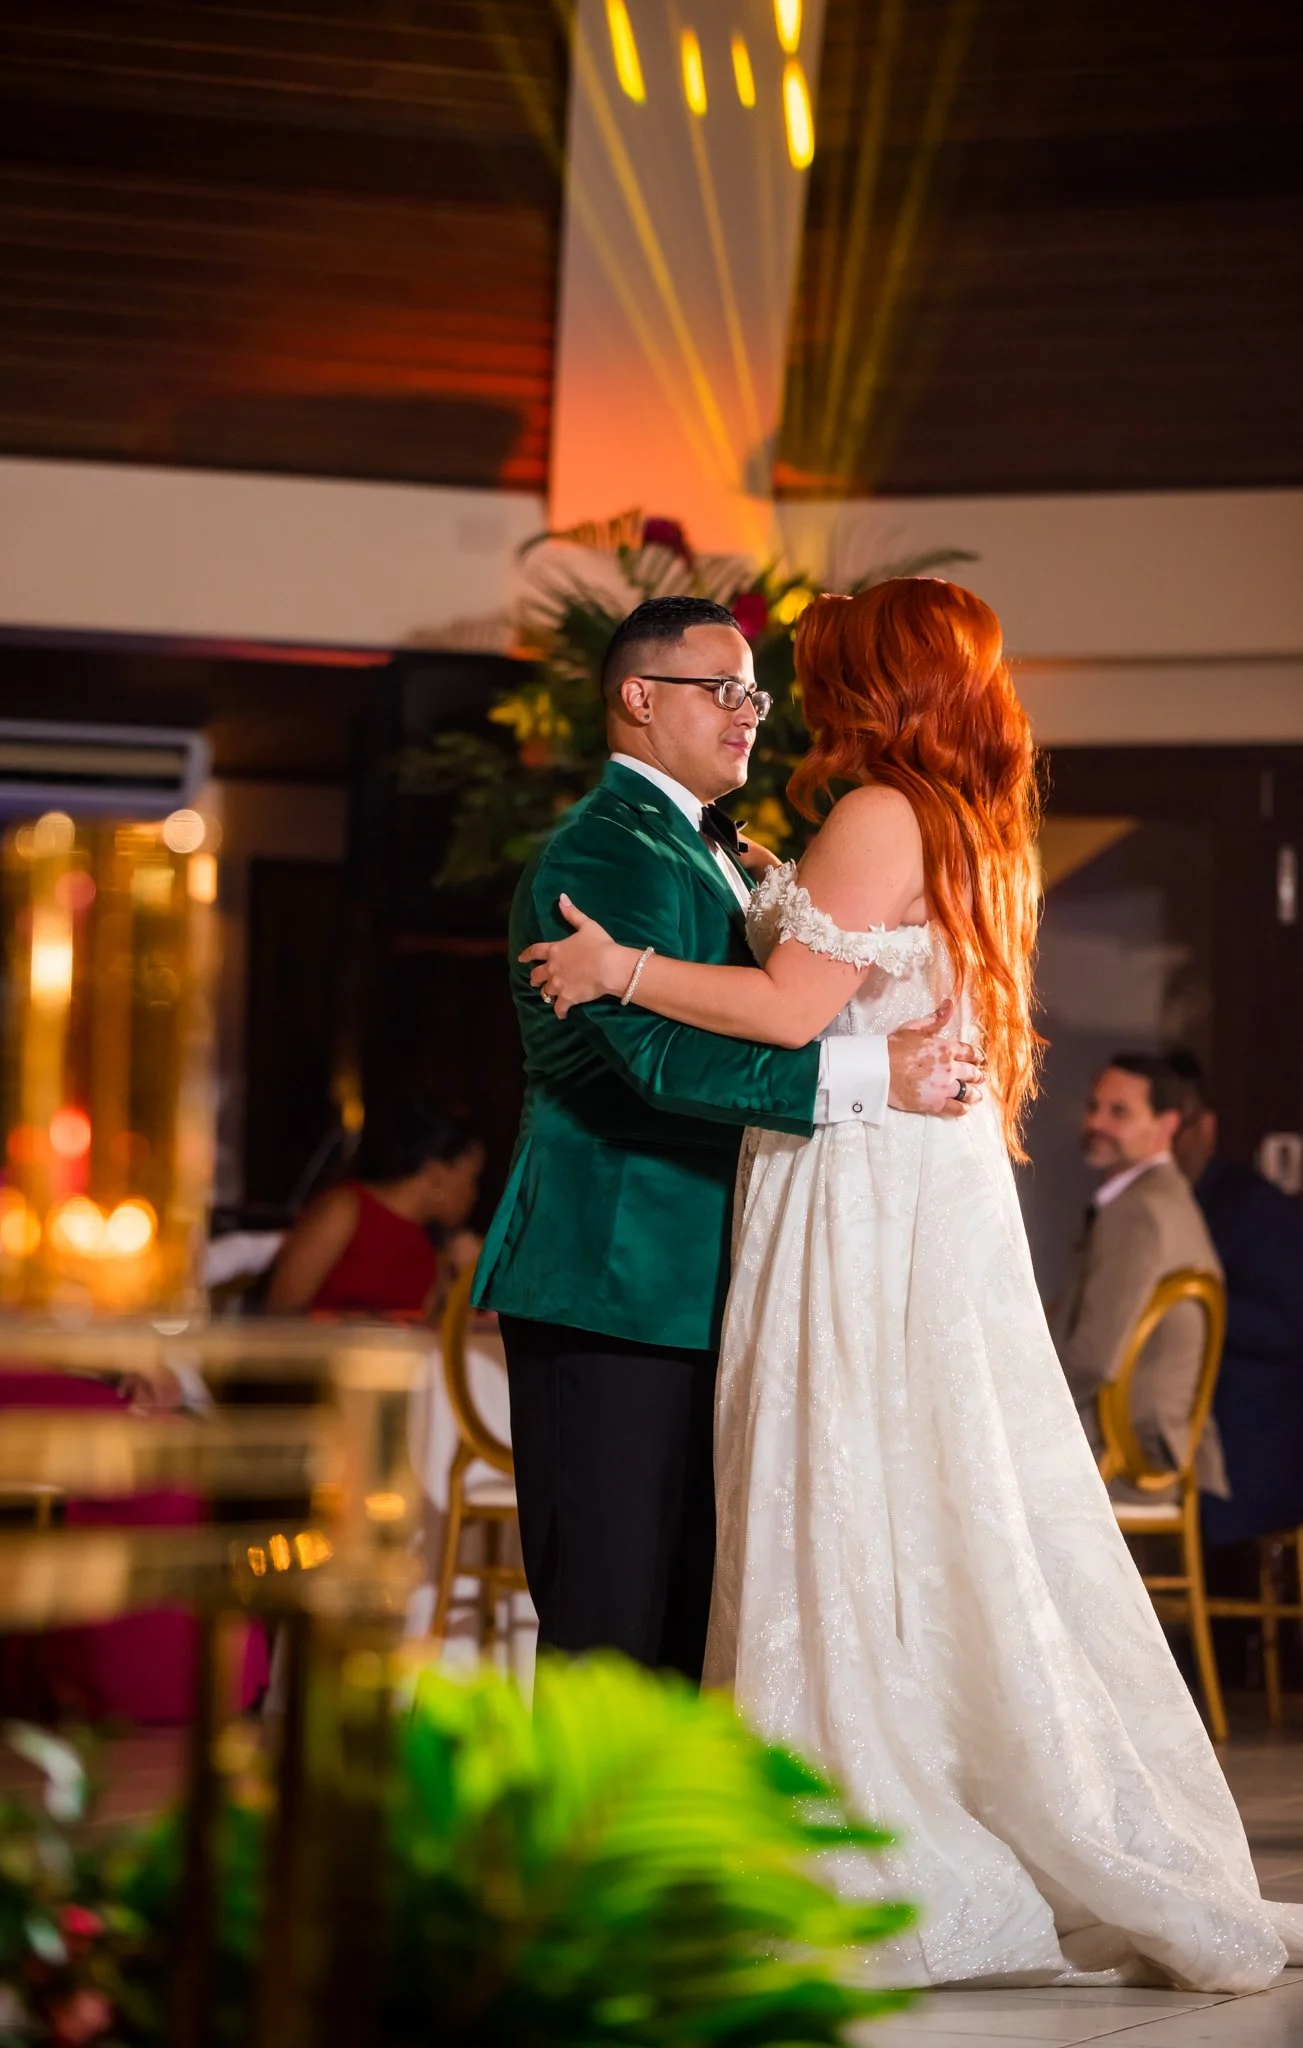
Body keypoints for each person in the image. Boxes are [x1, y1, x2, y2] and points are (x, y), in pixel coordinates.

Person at [522, 578, 1303, 1991]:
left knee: (846, 1481)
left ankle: (846, 1819)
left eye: (810, 675)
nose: (786, 706)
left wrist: (621, 967)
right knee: (904, 1490)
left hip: (856, 1180)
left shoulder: (879, 811)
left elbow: (785, 1008)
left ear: (878, 681)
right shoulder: (968, 821)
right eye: (752, 688)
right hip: (901, 1172)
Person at [473, 593, 984, 1688]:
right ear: (638, 697)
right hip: (613, 1275)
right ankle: (582, 1862)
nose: (750, 711)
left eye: (755, 691)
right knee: (610, 1619)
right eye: (724, 689)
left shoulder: (715, 850)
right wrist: (868, 1076)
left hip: (714, 1283)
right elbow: (660, 1061)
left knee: (691, 1622)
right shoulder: (601, 849)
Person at [1048, 1053, 1227, 1498]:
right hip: (1153, 1443)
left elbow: (1092, 1356)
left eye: (1119, 1112)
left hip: (1127, 1453)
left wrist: (1018, 1412)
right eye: (1094, 1107)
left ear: (1167, 1125)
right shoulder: (1167, 1197)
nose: (1097, 1123)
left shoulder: (1138, 1212)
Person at [1168, 1052, 1303, 1545]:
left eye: (1174, 1122)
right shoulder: (1126, 1210)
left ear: (1204, 1127)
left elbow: (1286, 1331)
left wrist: (1187, 1308)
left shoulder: (1254, 1210)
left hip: (1243, 1449)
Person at [267, 1100, 483, 1316]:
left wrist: (464, 1277)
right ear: (436, 1173)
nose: (474, 1195)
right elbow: (280, 1309)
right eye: (472, 1179)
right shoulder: (347, 1209)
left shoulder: (434, 1246)